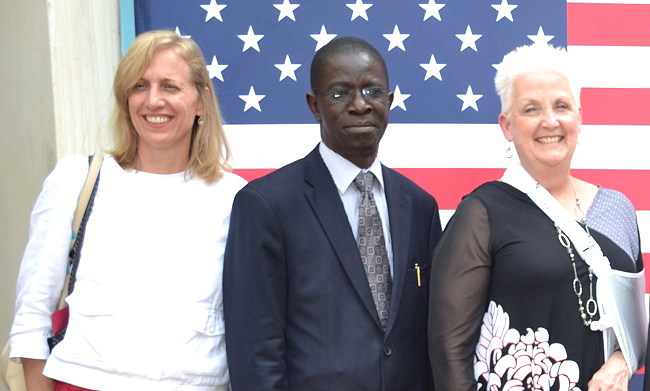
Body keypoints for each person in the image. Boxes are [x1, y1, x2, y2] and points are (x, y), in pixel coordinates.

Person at [9, 30, 246, 390]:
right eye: (139, 86)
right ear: (125, 99)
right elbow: (32, 317)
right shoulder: (77, 180)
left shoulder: (236, 198)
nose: (153, 101)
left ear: (201, 101)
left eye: (170, 86)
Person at [223, 36, 442, 390]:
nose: (360, 105)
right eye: (340, 93)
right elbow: (255, 350)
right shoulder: (266, 204)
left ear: (389, 101)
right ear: (314, 105)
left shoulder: (420, 206)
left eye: (372, 91)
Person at [428, 43, 645, 391]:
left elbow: (635, 330)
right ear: (507, 126)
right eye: (531, 109)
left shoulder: (616, 208)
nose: (550, 121)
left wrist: (621, 362)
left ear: (579, 116)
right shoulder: (481, 214)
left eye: (561, 106)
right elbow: (449, 352)